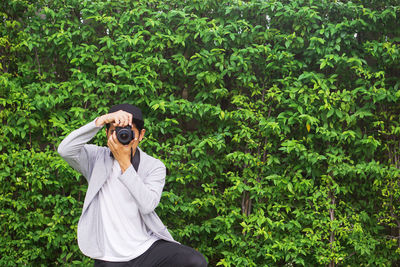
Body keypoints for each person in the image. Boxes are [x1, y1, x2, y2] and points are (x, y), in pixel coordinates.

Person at [58, 103, 207, 267]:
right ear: (107, 133)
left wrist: (124, 163)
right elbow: (65, 150)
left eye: (129, 132)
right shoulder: (95, 158)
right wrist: (101, 120)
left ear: (141, 134)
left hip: (146, 248)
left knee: (196, 262)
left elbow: (147, 205)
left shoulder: (153, 166)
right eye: (115, 131)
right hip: (109, 256)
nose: (123, 137)